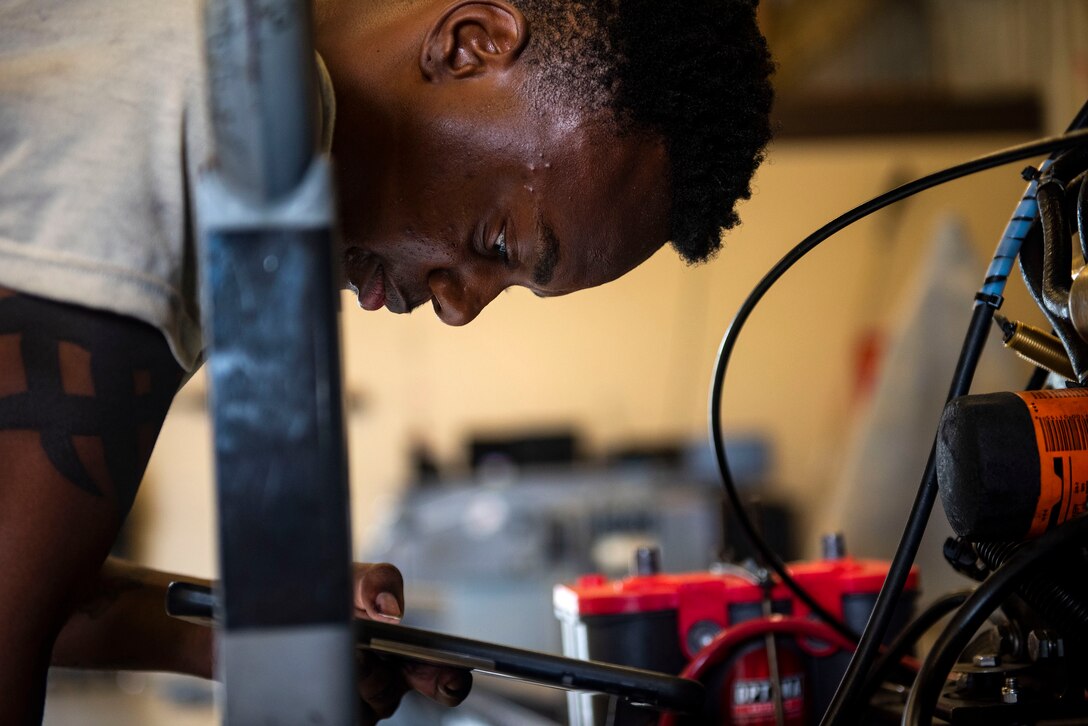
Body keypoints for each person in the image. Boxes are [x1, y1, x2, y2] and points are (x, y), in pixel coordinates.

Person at [0, 0, 773, 721]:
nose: (459, 306)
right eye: (501, 246)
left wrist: (255, 633)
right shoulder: (213, 95)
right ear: (473, 44)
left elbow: (31, 579)